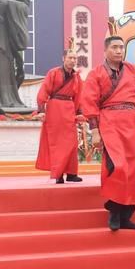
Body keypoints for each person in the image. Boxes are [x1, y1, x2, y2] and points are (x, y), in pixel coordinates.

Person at [81, 36, 135, 231]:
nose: (119, 51)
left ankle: (126, 214)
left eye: (121, 47)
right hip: (109, 122)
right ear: (105, 50)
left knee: (132, 168)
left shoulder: (133, 71)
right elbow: (88, 102)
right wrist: (95, 131)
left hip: (130, 122)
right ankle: (113, 209)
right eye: (114, 47)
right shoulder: (96, 74)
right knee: (116, 166)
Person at [35, 39, 85, 184]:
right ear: (63, 59)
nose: (72, 60)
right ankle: (58, 174)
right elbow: (43, 91)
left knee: (72, 143)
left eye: (75, 58)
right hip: (55, 109)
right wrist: (41, 110)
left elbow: (79, 96)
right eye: (70, 57)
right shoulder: (53, 73)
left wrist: (79, 112)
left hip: (69, 110)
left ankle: (71, 173)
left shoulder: (76, 77)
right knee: (58, 143)